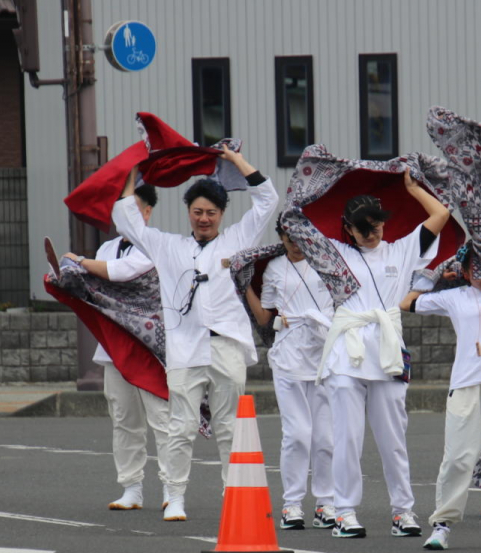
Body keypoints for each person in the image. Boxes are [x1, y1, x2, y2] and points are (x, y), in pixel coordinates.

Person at [112, 147, 278, 522]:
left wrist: (236, 160)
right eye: (198, 211)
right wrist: (134, 171)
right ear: (188, 212)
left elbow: (268, 198)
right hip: (185, 348)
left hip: (227, 346)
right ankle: (175, 497)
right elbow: (128, 220)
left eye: (211, 213)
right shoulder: (169, 245)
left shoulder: (238, 239)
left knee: (228, 427)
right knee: (180, 426)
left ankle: (232, 495)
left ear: (222, 214)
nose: (204, 219)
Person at [317, 170, 451, 537]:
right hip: (348, 352)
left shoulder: (402, 249)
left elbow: (440, 216)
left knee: (394, 437)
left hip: (389, 351)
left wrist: (412, 188)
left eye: (376, 223)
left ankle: (403, 511)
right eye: (362, 227)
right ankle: (344, 511)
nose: (371, 232)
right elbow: (294, 220)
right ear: (348, 227)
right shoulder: (335, 254)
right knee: (346, 435)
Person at [66, 184, 171, 512]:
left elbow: (122, 273)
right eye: (119, 208)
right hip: (114, 347)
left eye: (132, 207)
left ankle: (173, 487)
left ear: (147, 212)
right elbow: (95, 286)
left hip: (149, 347)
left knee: (162, 420)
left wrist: (80, 262)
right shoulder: (107, 247)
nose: (124, 215)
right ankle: (132, 488)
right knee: (124, 418)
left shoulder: (155, 243)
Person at [400, 246, 481, 550]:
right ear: (464, 272)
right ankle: (442, 525)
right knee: (458, 457)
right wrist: (438, 273)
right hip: (464, 384)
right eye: (477, 270)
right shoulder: (453, 296)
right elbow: (406, 301)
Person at [245, 224, 336, 530]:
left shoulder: (326, 261)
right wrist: (243, 285)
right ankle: (292, 504)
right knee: (297, 434)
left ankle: (326, 503)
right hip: (288, 354)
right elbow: (264, 317)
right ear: (282, 239)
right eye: (289, 239)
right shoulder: (274, 268)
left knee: (325, 437)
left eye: (301, 239)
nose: (296, 245)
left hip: (324, 353)